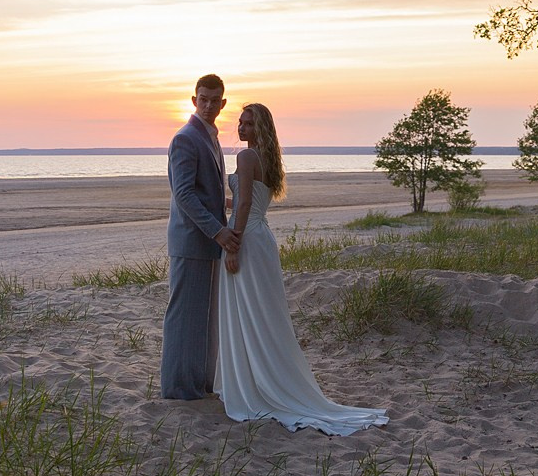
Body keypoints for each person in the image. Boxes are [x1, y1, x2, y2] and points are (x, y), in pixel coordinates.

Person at [215, 101, 387, 435]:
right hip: (261, 238)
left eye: (248, 124)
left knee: (250, 314)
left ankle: (257, 385)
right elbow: (246, 201)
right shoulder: (268, 158)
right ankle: (265, 377)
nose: (241, 128)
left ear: (261, 127)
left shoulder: (246, 157)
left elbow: (246, 205)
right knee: (262, 315)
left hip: (247, 240)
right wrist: (213, 201)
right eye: (239, 122)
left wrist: (232, 244)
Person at [161, 74, 240, 401]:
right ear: (193, 101)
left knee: (204, 320)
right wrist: (219, 231)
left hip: (207, 244)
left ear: (223, 104)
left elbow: (205, 192)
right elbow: (184, 195)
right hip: (192, 242)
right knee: (184, 317)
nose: (208, 105)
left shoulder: (210, 136)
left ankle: (199, 384)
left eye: (214, 101)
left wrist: (234, 206)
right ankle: (179, 388)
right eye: (202, 99)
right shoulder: (186, 138)